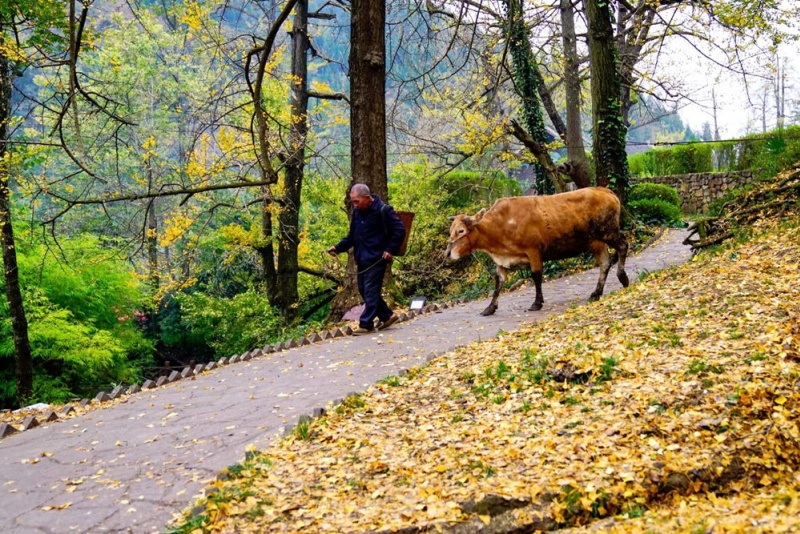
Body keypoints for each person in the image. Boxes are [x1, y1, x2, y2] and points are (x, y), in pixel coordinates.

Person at [328, 183, 406, 335]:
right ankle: (387, 316)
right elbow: (352, 236)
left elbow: (400, 230)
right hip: (362, 259)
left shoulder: (384, 210)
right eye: (353, 202)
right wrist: (338, 247)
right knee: (365, 290)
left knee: (370, 290)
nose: (354, 205)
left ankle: (366, 323)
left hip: (377, 258)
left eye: (357, 201)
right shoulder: (357, 213)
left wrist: (390, 249)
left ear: (367, 197)